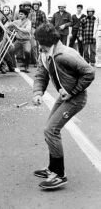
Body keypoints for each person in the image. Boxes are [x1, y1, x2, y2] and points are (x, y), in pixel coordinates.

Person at [32, 23, 94, 190]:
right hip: (65, 95)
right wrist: (37, 93)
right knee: (49, 129)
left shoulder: (64, 55)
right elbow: (41, 74)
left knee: (51, 130)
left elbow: (89, 72)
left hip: (75, 98)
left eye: (37, 40)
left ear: (42, 41)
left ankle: (59, 175)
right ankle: (52, 168)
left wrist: (72, 92)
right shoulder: (45, 53)